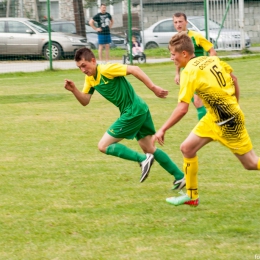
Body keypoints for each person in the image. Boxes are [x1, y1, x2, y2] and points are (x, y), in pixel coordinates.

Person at [153, 32, 260, 207]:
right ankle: (192, 196)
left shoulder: (189, 71)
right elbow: (234, 79)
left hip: (227, 121)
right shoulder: (212, 59)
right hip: (215, 116)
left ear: (184, 54)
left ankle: (191, 195)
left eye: (173, 54)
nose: (172, 58)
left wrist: (162, 129)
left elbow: (182, 108)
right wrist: (236, 104)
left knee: (250, 163)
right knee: (187, 148)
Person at [64, 47, 186, 190]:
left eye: (84, 65)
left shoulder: (106, 70)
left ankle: (142, 159)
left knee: (103, 146)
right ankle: (180, 177)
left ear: (93, 60)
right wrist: (74, 90)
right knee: (149, 148)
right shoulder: (90, 79)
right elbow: (85, 101)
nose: (83, 70)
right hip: (139, 109)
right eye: (79, 68)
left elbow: (135, 69)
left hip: (133, 111)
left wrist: (153, 88)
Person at [173, 12, 217, 121]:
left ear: (186, 22)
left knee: (198, 102)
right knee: (199, 103)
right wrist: (177, 74)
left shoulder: (196, 36)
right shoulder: (175, 39)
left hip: (198, 74)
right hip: (187, 75)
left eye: (180, 21)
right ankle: (212, 122)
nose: (178, 24)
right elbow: (177, 58)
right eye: (175, 22)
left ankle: (204, 130)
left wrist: (207, 64)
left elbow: (212, 51)